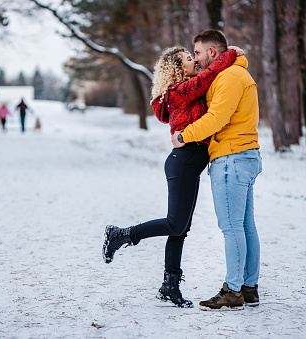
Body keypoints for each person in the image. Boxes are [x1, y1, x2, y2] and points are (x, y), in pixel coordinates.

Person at [102, 45, 241, 308]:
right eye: (189, 59)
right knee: (175, 224)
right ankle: (121, 235)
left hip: (189, 162)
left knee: (181, 230)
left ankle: (170, 286)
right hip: (184, 161)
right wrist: (230, 53)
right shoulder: (179, 91)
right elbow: (208, 75)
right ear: (178, 68)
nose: (194, 61)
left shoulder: (185, 90)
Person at [171, 29, 263, 311]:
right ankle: (248, 287)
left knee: (232, 227)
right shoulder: (233, 73)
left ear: (212, 52)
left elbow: (216, 117)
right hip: (243, 154)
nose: (195, 59)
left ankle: (233, 290)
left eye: (197, 52)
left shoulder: (229, 77)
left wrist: (184, 135)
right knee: (245, 226)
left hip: (231, 157)